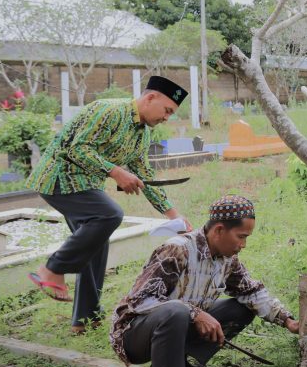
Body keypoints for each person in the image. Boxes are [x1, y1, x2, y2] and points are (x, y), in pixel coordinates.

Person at [110, 195, 300, 367]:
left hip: (171, 327)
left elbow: (252, 292)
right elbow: (141, 300)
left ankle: (174, 365)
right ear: (219, 229)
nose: (243, 245)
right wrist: (195, 313)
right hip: (134, 337)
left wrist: (288, 320)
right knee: (177, 310)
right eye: (241, 237)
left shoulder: (227, 259)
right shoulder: (177, 250)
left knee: (240, 308)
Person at [26, 76, 191, 334]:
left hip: (85, 184)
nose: (167, 117)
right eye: (167, 110)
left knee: (96, 243)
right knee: (109, 215)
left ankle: (85, 319)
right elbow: (77, 149)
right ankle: (51, 269)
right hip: (58, 178)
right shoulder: (110, 111)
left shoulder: (141, 134)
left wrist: (174, 216)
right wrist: (115, 171)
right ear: (150, 98)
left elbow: (144, 176)